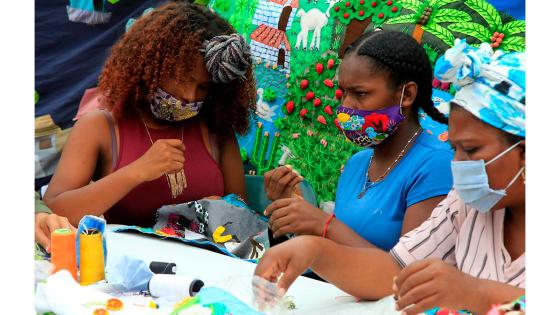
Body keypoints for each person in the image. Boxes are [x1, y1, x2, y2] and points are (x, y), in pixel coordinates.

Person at [254, 40, 526, 315]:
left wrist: (474, 293)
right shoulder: (467, 206)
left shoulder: (438, 171)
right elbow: (396, 270)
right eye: (454, 149)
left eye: (470, 150)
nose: (457, 164)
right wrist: (313, 249)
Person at [44, 2, 255, 227]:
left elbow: (242, 222)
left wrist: (219, 213)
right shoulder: (100, 126)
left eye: (203, 87)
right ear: (152, 65)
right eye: (183, 79)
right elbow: (54, 212)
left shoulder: (216, 129)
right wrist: (137, 172)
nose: (190, 96)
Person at [263, 30, 453, 250]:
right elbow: (340, 256)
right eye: (343, 93)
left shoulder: (436, 166)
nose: (346, 106)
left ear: (407, 94)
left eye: (360, 93)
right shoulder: (358, 163)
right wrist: (290, 210)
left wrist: (324, 225)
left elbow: (410, 274)